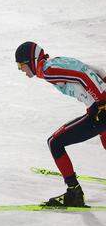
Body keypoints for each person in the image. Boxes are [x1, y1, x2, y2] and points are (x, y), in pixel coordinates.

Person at [16, 41, 106, 207]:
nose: (21, 70)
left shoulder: (48, 70)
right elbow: (92, 69)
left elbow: (82, 76)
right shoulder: (56, 62)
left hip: (101, 107)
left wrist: (102, 103)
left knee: (55, 142)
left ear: (30, 61)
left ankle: (74, 192)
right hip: (99, 104)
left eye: (21, 65)